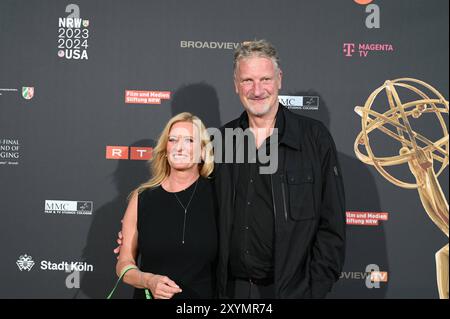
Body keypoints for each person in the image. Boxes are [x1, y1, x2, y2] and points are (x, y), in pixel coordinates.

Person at [116, 39, 346, 299]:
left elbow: (333, 225)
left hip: (292, 292)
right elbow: (193, 200)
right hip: (230, 291)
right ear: (236, 85)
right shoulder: (222, 141)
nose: (257, 90)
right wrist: (141, 233)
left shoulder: (314, 139)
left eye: (265, 79)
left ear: (279, 79)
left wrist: (314, 290)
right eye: (247, 80)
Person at [115, 112, 218, 299]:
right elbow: (124, 265)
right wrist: (148, 281)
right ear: (165, 148)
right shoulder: (142, 198)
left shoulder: (219, 195)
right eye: (173, 140)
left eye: (189, 140)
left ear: (203, 151)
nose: (179, 147)